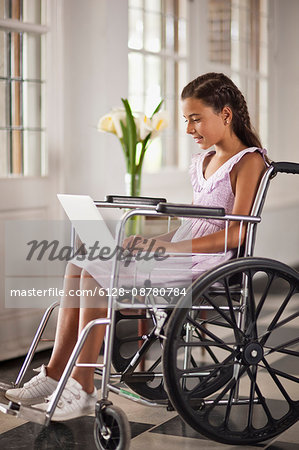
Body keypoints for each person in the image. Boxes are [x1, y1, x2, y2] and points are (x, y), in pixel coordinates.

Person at [5, 72, 268, 421]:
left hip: (209, 262)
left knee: (96, 273)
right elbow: (193, 222)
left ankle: (82, 385)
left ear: (225, 115)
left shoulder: (249, 161)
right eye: (186, 121)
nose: (189, 130)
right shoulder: (202, 161)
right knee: (80, 260)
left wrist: (172, 249)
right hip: (184, 250)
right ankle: (55, 373)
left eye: (195, 119)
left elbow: (236, 234)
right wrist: (150, 242)